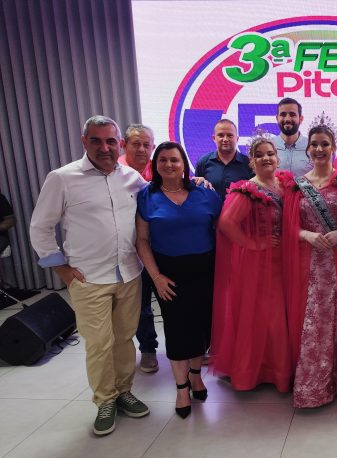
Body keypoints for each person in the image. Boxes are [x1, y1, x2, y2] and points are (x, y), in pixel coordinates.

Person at [30, 115, 150, 436]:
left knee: (124, 338)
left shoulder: (132, 177)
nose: (104, 147)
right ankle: (105, 399)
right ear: (85, 142)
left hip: (129, 274)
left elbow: (159, 200)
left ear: (119, 144)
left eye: (110, 141)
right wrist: (62, 270)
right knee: (99, 343)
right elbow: (40, 227)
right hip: (88, 278)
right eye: (96, 140)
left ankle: (123, 391)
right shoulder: (62, 178)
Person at [136, 142, 222, 418]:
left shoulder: (205, 193)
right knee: (176, 330)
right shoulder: (146, 196)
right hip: (168, 275)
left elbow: (222, 228)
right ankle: (181, 388)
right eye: (163, 160)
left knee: (200, 329)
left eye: (174, 160)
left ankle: (196, 376)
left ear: (184, 164)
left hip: (205, 271)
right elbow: (142, 240)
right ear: (155, 164)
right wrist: (156, 277)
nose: (169, 165)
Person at [282, 123, 337, 408]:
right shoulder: (296, 185)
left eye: (324, 144)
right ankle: (311, 381)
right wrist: (306, 234)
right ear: (308, 148)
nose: (319, 149)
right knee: (312, 320)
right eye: (314, 144)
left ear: (333, 147)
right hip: (308, 263)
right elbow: (289, 226)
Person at [210, 137, 292, 392]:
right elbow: (226, 223)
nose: (266, 158)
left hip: (285, 261)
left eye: (270, 153)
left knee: (281, 318)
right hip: (260, 265)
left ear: (277, 157)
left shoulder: (285, 184)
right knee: (267, 318)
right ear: (252, 161)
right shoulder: (247, 190)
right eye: (260, 155)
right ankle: (258, 373)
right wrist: (255, 243)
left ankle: (276, 369)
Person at [118, 124, 159, 372]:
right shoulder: (114, 172)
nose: (142, 149)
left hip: (160, 248)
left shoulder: (161, 167)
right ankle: (148, 349)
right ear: (124, 145)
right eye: (136, 144)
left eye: (147, 144)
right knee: (141, 305)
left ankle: (185, 347)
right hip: (129, 252)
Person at [194, 118, 253, 199]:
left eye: (230, 135)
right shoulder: (203, 162)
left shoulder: (249, 164)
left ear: (237, 138)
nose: (225, 139)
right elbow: (197, 192)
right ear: (214, 138)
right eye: (221, 135)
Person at [272, 98, 312, 177]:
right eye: (283, 115)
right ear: (277, 118)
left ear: (301, 119)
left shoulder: (312, 147)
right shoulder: (268, 147)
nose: (287, 119)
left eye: (292, 115)